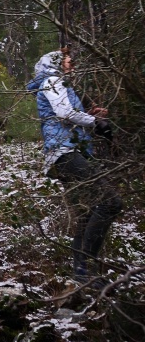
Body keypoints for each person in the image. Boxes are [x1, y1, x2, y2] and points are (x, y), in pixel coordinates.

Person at [27, 50, 122, 286]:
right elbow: (64, 113)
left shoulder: (56, 83)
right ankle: (86, 269)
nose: (72, 64)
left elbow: (63, 113)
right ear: (57, 62)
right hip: (65, 152)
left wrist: (89, 115)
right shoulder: (53, 80)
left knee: (87, 212)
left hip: (66, 152)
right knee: (111, 202)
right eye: (69, 61)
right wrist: (95, 122)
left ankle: (82, 274)